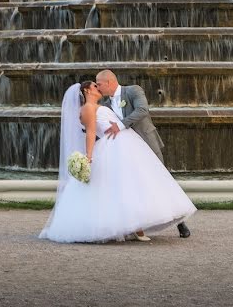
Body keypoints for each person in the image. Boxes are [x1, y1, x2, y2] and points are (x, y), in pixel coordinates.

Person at [39, 81, 196, 243]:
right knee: (122, 186)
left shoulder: (105, 104)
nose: (98, 88)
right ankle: (133, 228)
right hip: (112, 147)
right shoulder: (87, 109)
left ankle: (137, 226)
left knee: (136, 184)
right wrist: (89, 156)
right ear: (86, 90)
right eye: (94, 86)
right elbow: (91, 133)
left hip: (128, 143)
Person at [96, 69, 192, 239]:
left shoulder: (133, 90)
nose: (98, 87)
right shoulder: (105, 105)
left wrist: (121, 125)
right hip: (126, 150)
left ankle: (180, 222)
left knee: (161, 180)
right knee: (136, 184)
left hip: (147, 143)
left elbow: (142, 110)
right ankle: (136, 225)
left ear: (109, 82)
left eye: (99, 84)